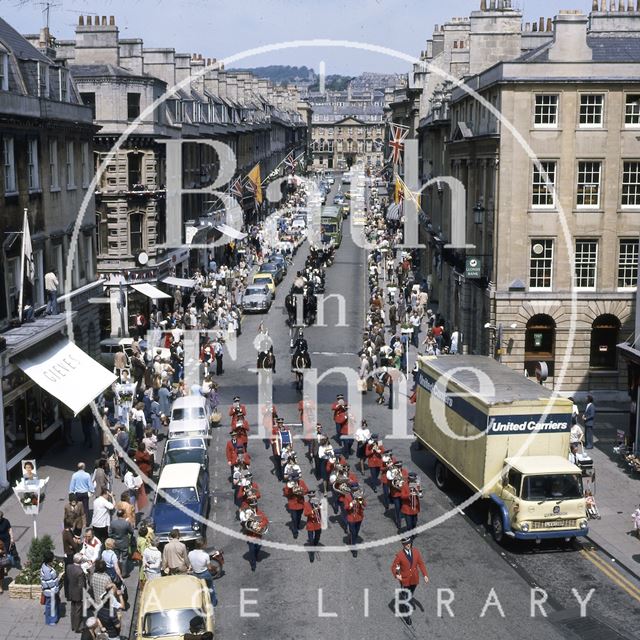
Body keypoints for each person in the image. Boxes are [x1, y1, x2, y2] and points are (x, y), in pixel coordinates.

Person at [390, 537, 429, 626]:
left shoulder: (416, 552)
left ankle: (403, 602)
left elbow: (421, 563)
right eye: (406, 544)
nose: (408, 545)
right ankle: (406, 615)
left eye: (409, 543)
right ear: (403, 545)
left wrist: (425, 575)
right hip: (404, 580)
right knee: (406, 597)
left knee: (410, 594)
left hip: (414, 579)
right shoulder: (400, 555)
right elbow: (394, 567)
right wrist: (397, 574)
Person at [188, 538, 218, 606]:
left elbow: (190, 564)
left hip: (195, 574)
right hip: (205, 574)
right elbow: (209, 567)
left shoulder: (190, 553)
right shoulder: (205, 555)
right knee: (210, 588)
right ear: (203, 545)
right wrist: (215, 568)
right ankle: (213, 603)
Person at [108, 510, 133, 578]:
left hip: (115, 543)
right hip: (124, 543)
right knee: (124, 558)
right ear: (123, 515)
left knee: (116, 558)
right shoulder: (126, 523)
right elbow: (131, 531)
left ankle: (117, 572)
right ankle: (124, 573)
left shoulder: (113, 523)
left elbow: (110, 533)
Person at [66, 553, 86, 633]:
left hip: (71, 591)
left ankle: (73, 626)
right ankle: (77, 627)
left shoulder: (68, 567)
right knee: (78, 611)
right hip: (78, 594)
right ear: (80, 561)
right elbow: (82, 586)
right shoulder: (80, 571)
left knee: (73, 609)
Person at [62, 520, 81, 599]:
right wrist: (77, 542)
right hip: (70, 555)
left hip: (68, 553)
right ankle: (69, 594)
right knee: (69, 575)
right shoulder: (67, 534)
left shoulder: (67, 531)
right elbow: (75, 546)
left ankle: (68, 593)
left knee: (68, 573)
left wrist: (75, 539)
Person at [40, 550, 61, 625]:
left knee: (51, 605)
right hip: (50, 592)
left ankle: (53, 618)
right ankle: (51, 621)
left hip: (50, 591)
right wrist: (55, 590)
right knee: (50, 606)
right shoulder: (47, 570)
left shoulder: (45, 566)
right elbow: (50, 583)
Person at [303, 492, 323, 563]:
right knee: (311, 541)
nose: (312, 497)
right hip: (310, 524)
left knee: (317, 537)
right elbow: (305, 513)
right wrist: (312, 511)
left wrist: (319, 506)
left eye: (313, 496)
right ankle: (311, 555)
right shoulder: (306, 504)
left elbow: (322, 510)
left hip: (317, 523)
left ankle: (314, 545)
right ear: (309, 497)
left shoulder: (317, 502)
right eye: (311, 496)